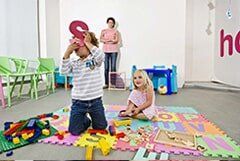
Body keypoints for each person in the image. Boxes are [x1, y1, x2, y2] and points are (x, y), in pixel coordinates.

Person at [60, 31, 107, 135]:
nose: (76, 48)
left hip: (95, 101)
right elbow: (64, 71)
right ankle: (85, 119)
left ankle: (87, 118)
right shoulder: (74, 63)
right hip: (78, 102)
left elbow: (101, 56)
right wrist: (67, 52)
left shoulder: (94, 59)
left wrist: (88, 42)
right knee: (74, 131)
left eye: (80, 45)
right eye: (75, 47)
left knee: (101, 127)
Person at [100, 17, 120, 88]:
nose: (110, 24)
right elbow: (101, 39)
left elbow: (117, 40)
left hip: (114, 51)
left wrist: (107, 40)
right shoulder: (104, 31)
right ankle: (106, 83)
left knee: (113, 67)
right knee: (106, 67)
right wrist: (111, 40)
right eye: (109, 22)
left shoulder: (116, 31)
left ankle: (113, 84)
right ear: (107, 23)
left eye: (111, 22)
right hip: (105, 51)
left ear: (113, 24)